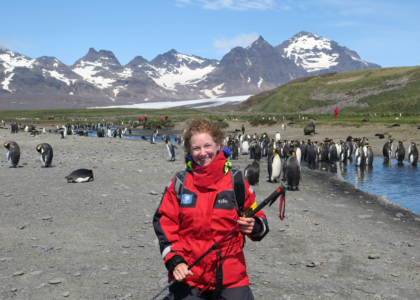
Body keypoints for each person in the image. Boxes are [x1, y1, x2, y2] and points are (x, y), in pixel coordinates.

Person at [153, 118, 269, 300]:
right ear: (189, 151)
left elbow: (259, 219)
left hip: (231, 276)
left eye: (207, 146)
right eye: (196, 148)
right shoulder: (180, 183)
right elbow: (165, 224)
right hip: (190, 274)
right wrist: (175, 262)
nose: (202, 153)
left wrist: (254, 226)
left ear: (218, 145)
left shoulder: (236, 181)